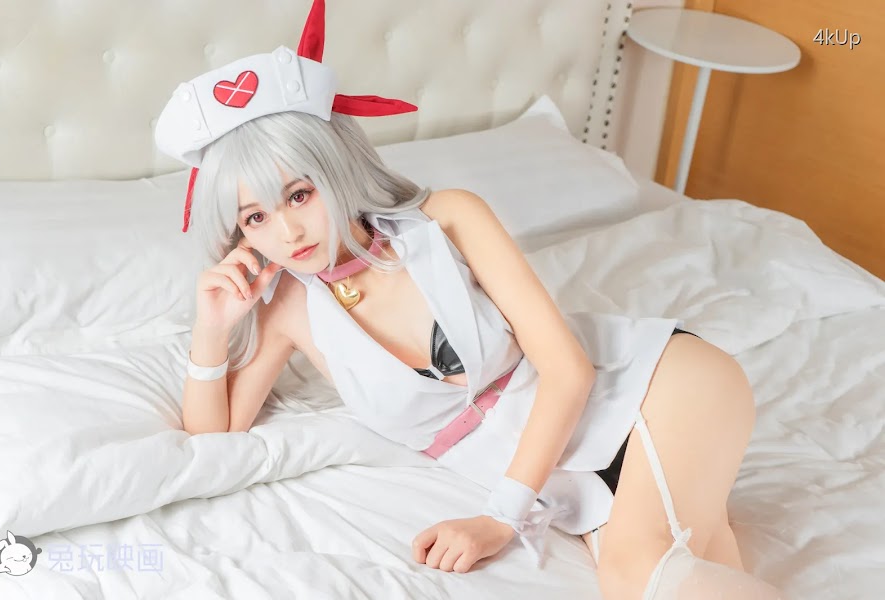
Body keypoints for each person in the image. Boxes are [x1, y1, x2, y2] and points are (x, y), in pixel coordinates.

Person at [154, 1, 785, 598]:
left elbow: (569, 369)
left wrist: (499, 519)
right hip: (573, 483)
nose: (288, 232)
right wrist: (212, 328)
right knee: (665, 577)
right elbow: (215, 433)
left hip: (652, 386)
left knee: (634, 572)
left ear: (335, 168)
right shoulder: (290, 306)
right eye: (256, 217)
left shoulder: (447, 219)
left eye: (299, 195)